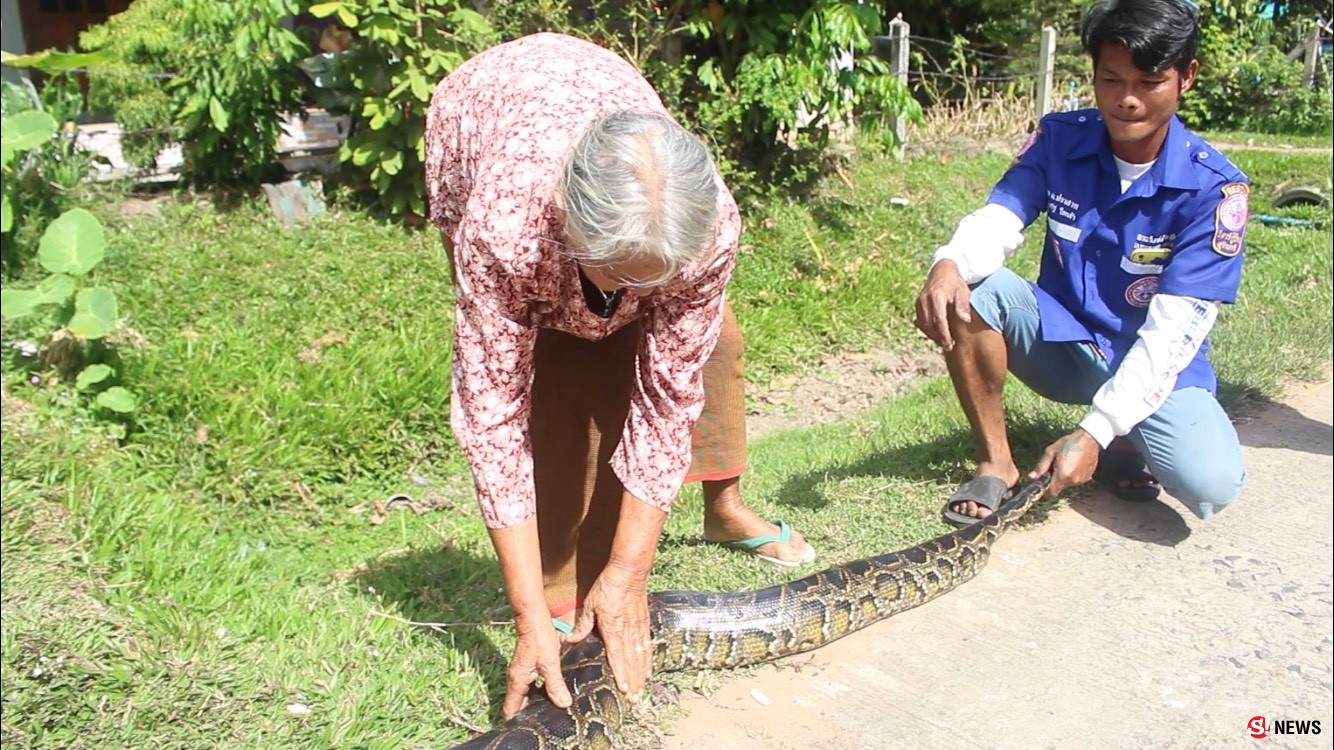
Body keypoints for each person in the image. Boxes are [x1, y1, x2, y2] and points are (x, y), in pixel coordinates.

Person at [424, 32, 815, 720]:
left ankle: (721, 509)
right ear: (571, 229)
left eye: (662, 276)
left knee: (710, 345)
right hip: (483, 120)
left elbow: (668, 401)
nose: (647, 291)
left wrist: (630, 573)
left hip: (599, 102)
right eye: (626, 276)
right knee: (557, 377)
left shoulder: (710, 223)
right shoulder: (509, 228)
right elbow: (492, 417)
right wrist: (526, 617)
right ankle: (552, 591)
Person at [913, 0, 1249, 527]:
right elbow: (1003, 212)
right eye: (1111, 80)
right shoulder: (1060, 138)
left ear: (1187, 77)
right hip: (1064, 340)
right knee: (970, 289)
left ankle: (1122, 445)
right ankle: (996, 461)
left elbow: (1170, 337)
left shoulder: (1215, 190)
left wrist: (1096, 431)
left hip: (1152, 359)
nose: (1128, 100)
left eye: (1149, 81)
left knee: (1212, 481)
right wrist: (949, 262)